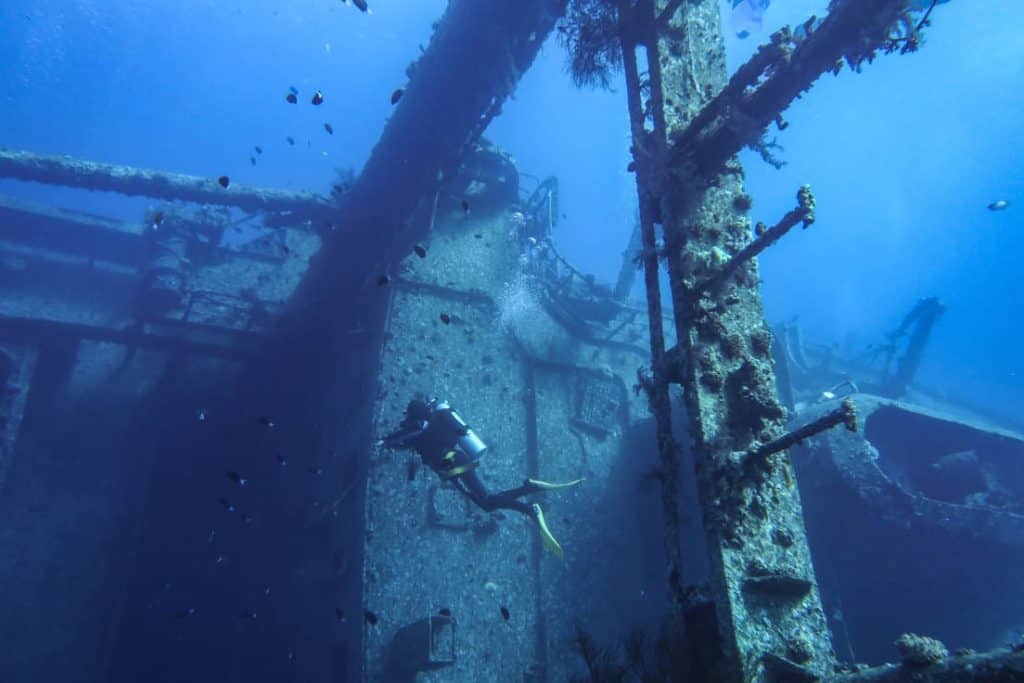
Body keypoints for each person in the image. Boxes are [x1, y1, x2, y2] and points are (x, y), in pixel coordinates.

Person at [380, 397, 581, 559]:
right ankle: (529, 488)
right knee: (488, 501)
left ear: (416, 417)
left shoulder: (420, 430)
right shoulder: (441, 416)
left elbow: (400, 440)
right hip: (457, 460)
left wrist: (383, 442)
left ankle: (530, 509)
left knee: (487, 502)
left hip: (454, 465)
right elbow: (461, 431)